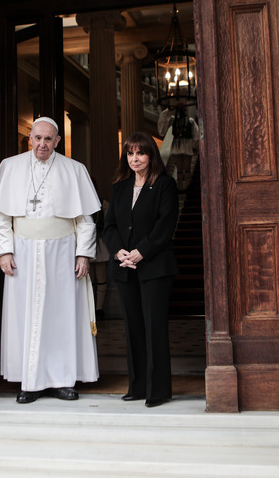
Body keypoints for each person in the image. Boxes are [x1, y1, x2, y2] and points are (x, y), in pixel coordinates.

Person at [0, 117, 102, 403]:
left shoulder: (74, 170)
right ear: (30, 138)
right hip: (22, 254)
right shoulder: (10, 167)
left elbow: (85, 221)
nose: (42, 144)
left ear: (57, 140)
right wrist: (5, 251)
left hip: (62, 254)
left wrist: (83, 253)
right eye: (37, 138)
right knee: (25, 316)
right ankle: (29, 381)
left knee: (61, 318)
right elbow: (1, 220)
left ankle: (62, 381)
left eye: (48, 139)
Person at [103, 132, 180, 408]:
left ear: (151, 156)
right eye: (130, 154)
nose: (135, 159)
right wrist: (118, 251)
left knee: (154, 327)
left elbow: (165, 225)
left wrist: (141, 251)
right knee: (133, 328)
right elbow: (109, 226)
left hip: (154, 268)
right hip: (124, 268)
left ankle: (157, 390)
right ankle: (136, 386)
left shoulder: (165, 185)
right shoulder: (120, 188)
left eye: (141, 153)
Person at [157, 104, 199, 191]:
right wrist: (168, 110)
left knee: (185, 169)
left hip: (184, 147)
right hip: (179, 147)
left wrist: (194, 145)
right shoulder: (174, 120)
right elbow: (162, 127)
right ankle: (182, 187)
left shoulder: (189, 121)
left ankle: (185, 187)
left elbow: (196, 134)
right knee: (181, 169)